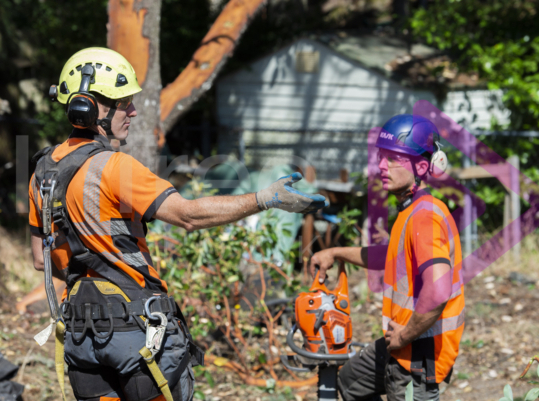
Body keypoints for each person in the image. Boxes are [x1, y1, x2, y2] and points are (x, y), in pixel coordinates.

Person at [29, 47, 327, 401]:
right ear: (90, 107)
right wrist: (265, 199)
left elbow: (40, 258)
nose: (134, 111)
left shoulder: (42, 173)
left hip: (81, 337)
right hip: (134, 336)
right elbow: (187, 215)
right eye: (124, 103)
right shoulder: (114, 166)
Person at [310, 114, 464, 401]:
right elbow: (389, 256)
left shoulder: (424, 218)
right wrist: (335, 252)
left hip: (417, 355)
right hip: (400, 343)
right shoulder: (411, 210)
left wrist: (405, 336)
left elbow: (439, 289)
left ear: (421, 166)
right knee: (351, 379)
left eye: (394, 159)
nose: (382, 165)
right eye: (382, 157)